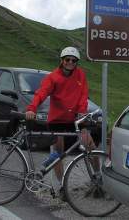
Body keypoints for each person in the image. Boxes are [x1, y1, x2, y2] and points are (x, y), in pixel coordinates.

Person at [25, 46, 96, 198]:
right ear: (62, 60)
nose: (70, 62)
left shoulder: (80, 75)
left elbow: (83, 95)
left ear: (77, 62)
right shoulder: (53, 77)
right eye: (67, 59)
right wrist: (32, 108)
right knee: (58, 155)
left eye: (74, 60)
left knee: (90, 145)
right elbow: (41, 93)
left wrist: (82, 111)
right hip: (57, 120)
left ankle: (98, 178)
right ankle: (62, 187)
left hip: (76, 119)